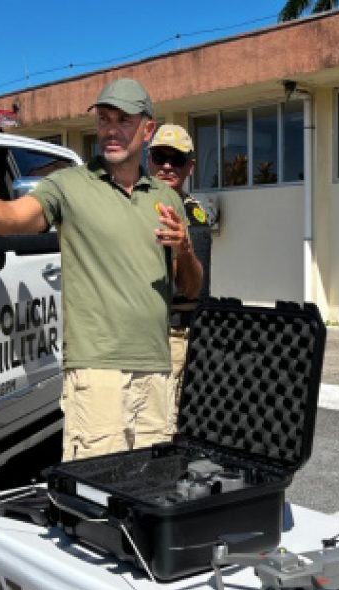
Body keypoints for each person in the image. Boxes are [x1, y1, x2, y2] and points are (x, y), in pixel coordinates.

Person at [0, 77, 202, 461]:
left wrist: (185, 250)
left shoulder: (164, 197)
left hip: (156, 370)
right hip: (98, 372)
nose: (111, 129)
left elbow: (190, 287)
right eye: (105, 119)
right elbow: (14, 217)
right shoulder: (68, 186)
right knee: (98, 495)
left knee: (149, 490)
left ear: (147, 128)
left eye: (123, 120)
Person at [146, 123, 214, 433]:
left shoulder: (191, 213)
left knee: (165, 426)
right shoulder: (131, 206)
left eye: (177, 159)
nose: (167, 166)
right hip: (132, 335)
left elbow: (192, 288)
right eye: (160, 157)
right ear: (149, 161)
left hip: (173, 335)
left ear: (191, 167)